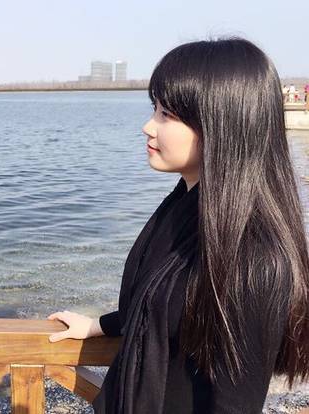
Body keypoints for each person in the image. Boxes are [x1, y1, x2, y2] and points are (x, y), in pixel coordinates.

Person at [47, 36, 309, 414]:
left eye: (166, 115)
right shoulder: (186, 206)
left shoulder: (254, 257)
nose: (147, 127)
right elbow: (166, 303)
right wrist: (99, 325)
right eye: (154, 109)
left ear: (221, 124)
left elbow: (234, 404)